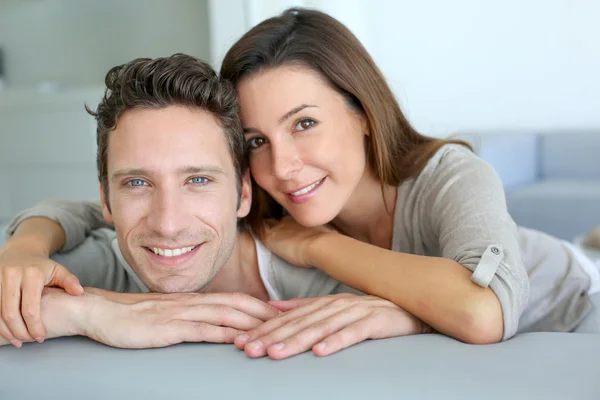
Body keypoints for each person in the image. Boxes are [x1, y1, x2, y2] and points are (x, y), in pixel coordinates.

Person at [4, 7, 600, 350]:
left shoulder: (446, 179)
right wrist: (28, 245)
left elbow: (481, 310)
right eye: (257, 141)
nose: (283, 166)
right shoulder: (246, 200)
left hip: (563, 290)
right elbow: (103, 210)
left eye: (305, 123)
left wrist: (320, 245)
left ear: (363, 114)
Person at [0, 54, 421, 359]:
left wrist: (414, 317)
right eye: (137, 183)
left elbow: (451, 310)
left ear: (243, 193)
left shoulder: (316, 283)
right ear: (105, 200)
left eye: (198, 180)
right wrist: (86, 312)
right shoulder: (95, 267)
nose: (167, 224)